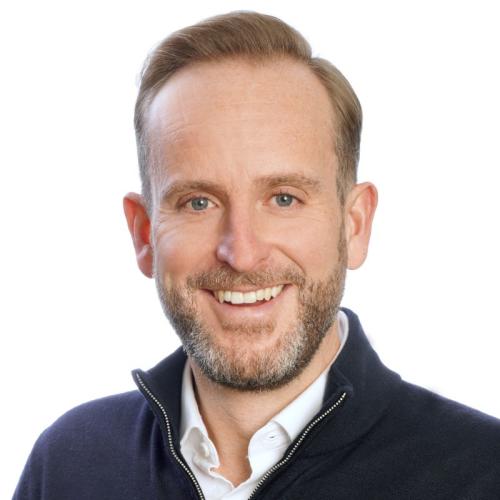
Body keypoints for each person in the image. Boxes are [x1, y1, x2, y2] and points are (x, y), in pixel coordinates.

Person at [13, 10, 500, 500]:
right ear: (144, 234)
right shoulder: (70, 466)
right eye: (198, 203)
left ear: (355, 224)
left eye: (284, 199)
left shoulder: (482, 472)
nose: (241, 254)